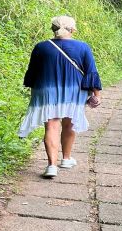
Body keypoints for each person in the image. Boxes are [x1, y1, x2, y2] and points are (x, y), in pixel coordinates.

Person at [18, 15, 102, 178]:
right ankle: (66, 159)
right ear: (73, 30)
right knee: (69, 124)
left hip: (46, 90)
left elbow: (32, 72)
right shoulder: (83, 47)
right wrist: (96, 94)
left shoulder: (41, 47)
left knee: (51, 126)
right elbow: (91, 72)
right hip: (74, 90)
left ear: (53, 29)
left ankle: (51, 166)